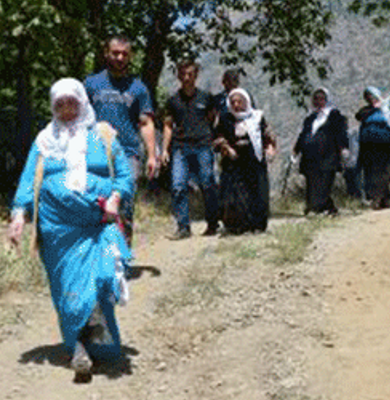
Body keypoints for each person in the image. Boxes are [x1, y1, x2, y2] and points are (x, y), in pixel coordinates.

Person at [7, 78, 133, 380]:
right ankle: (78, 347)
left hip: (97, 224)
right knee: (69, 290)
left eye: (71, 103)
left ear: (82, 103)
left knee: (104, 278)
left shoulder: (103, 136)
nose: (65, 110)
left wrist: (116, 197)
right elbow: (28, 180)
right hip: (57, 231)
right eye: (59, 105)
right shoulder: (43, 141)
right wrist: (18, 215)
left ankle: (98, 341)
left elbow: (124, 176)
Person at [83, 36, 158, 248]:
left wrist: (152, 155)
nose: (120, 57)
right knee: (95, 202)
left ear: (131, 56)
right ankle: (98, 253)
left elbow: (146, 123)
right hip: (94, 151)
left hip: (127, 152)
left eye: (125, 54)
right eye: (115, 53)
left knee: (124, 202)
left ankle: (121, 253)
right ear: (107, 53)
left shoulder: (138, 88)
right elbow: (78, 117)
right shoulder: (91, 84)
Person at [161, 60, 219, 239]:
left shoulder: (206, 97)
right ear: (178, 75)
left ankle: (212, 223)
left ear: (196, 75)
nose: (187, 78)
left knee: (207, 183)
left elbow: (212, 118)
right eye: (183, 74)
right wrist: (164, 149)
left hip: (202, 146)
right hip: (180, 147)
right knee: (178, 185)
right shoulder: (173, 101)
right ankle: (183, 227)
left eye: (190, 74)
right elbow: (168, 126)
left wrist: (210, 138)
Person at [213, 88, 276, 234]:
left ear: (246, 102)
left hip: (254, 161)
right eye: (233, 102)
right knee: (236, 196)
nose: (236, 105)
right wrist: (226, 148)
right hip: (233, 163)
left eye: (239, 101)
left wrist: (270, 149)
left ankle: (257, 225)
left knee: (257, 193)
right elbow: (217, 138)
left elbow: (268, 136)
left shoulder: (257, 117)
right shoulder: (225, 118)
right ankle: (238, 226)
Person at [292, 87, 348, 216]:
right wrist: (296, 151)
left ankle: (319, 208)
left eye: (321, 99)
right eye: (315, 99)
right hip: (310, 157)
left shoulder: (334, 115)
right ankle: (318, 207)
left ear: (326, 100)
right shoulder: (310, 118)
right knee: (312, 183)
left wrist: (344, 148)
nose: (318, 101)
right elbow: (303, 136)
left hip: (328, 156)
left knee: (324, 182)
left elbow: (340, 132)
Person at [354, 86, 390, 210]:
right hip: (369, 146)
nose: (370, 99)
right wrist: (374, 108)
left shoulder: (389, 109)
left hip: (386, 145)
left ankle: (378, 199)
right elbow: (358, 116)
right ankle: (383, 200)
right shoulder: (366, 111)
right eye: (368, 96)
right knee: (372, 173)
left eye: (373, 96)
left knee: (385, 172)